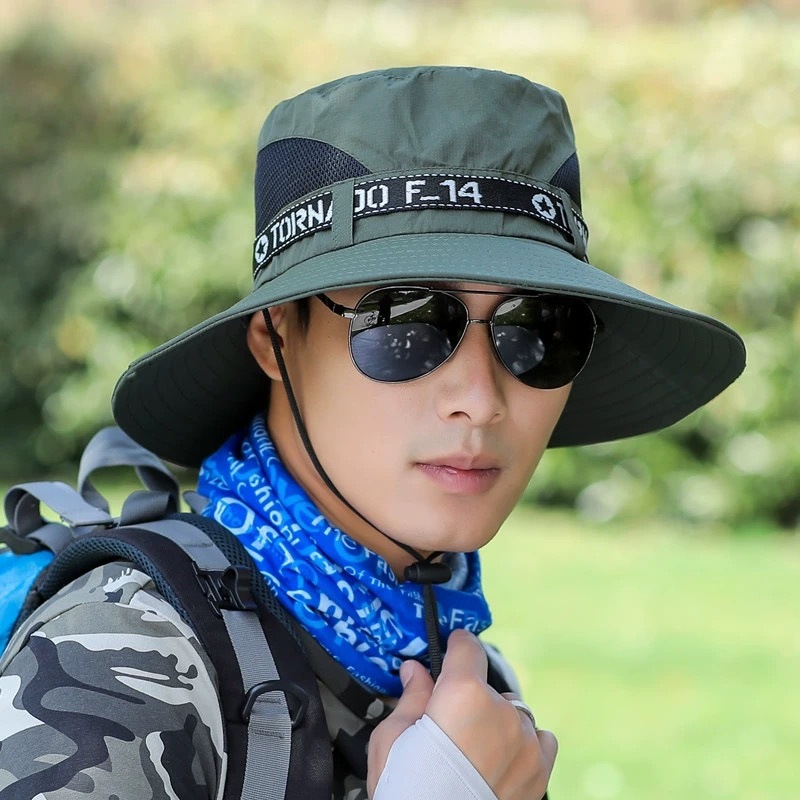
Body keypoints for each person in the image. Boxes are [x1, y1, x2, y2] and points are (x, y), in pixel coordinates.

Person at [0, 66, 745, 799]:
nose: (480, 400)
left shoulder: (465, 677)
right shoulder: (123, 650)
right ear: (275, 337)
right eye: (405, 325)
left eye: (538, 330)